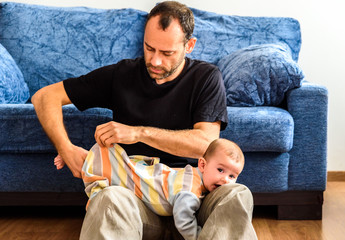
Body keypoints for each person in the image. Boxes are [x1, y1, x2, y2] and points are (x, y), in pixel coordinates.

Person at [32, 1, 258, 239]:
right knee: (109, 198)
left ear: (189, 45)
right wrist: (65, 148)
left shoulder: (206, 78)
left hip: (195, 201)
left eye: (167, 53)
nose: (156, 61)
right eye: (149, 49)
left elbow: (206, 144)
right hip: (138, 205)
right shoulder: (122, 75)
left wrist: (137, 133)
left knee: (237, 194)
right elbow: (45, 96)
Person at [57, 138, 244, 240]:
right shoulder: (190, 188)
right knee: (111, 175)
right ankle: (83, 157)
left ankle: (87, 157)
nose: (225, 179)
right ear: (202, 165)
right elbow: (183, 219)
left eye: (232, 176)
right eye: (220, 170)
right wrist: (197, 235)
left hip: (162, 193)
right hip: (143, 192)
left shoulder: (195, 176)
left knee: (240, 193)